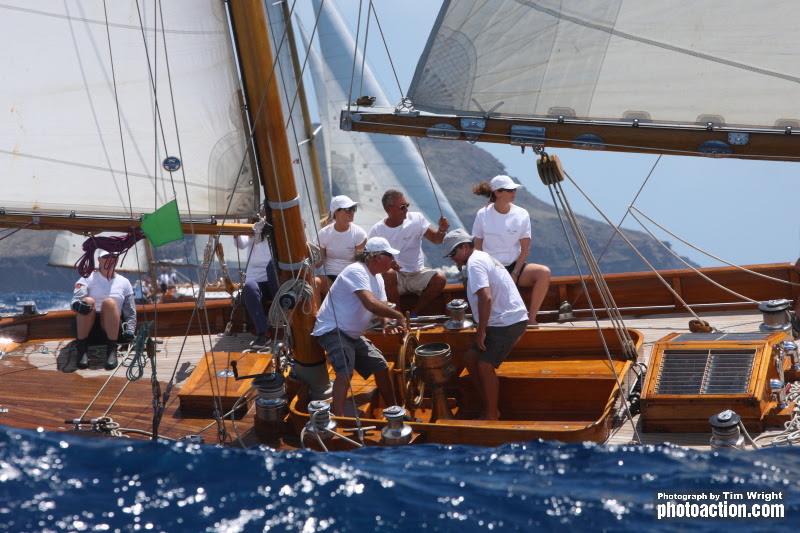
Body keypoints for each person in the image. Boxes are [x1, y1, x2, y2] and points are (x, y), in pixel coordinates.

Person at [312, 236, 406, 416]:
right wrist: (398, 315)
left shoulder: (377, 278)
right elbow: (370, 303)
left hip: (352, 334)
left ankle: (394, 410)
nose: (393, 261)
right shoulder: (356, 271)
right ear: (377, 257)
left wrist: (386, 322)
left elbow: (381, 308)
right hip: (333, 330)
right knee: (345, 369)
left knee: (381, 365)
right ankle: (338, 418)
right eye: (390, 256)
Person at [443, 228, 528, 420]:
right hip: (501, 320)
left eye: (453, 253)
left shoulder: (475, 263)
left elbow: (486, 298)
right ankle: (488, 405)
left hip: (506, 321)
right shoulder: (480, 257)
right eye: (450, 255)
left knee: (483, 365)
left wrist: (481, 331)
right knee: (470, 358)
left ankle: (491, 414)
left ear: (465, 247)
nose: (453, 259)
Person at [472, 175, 551, 326]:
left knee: (543, 273)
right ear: (497, 193)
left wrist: (514, 273)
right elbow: (477, 247)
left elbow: (525, 249)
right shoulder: (482, 214)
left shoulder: (522, 214)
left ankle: (531, 319)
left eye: (514, 189)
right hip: (491, 268)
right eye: (509, 190)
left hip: (515, 267)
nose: (514, 193)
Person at [368, 189, 449, 315]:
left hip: (417, 273)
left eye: (407, 205)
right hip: (395, 277)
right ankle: (398, 315)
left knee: (440, 278)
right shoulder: (377, 230)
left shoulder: (417, 219)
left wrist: (442, 230)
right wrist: (388, 265)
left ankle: (414, 314)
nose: (406, 209)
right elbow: (370, 259)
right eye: (402, 207)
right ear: (389, 209)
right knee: (388, 274)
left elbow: (436, 239)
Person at [71, 250, 137, 370]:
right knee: (88, 301)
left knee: (109, 303)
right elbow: (76, 300)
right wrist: (76, 305)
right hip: (88, 331)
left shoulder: (125, 282)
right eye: (106, 257)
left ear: (117, 260)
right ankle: (82, 350)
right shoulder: (87, 278)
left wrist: (130, 330)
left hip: (113, 331)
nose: (110, 259)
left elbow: (130, 311)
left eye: (113, 256)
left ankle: (111, 351)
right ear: (99, 260)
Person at [235, 218, 279, 348]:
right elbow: (240, 244)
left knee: (272, 267)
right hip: (257, 282)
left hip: (274, 282)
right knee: (249, 288)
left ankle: (289, 325)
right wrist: (236, 231)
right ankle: (263, 333)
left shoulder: (276, 236)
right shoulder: (252, 234)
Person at [315, 195, 367, 298]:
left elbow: (360, 264)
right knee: (315, 282)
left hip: (350, 277)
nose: (352, 212)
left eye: (353, 209)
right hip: (328, 276)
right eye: (348, 209)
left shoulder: (359, 234)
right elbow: (318, 263)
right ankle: (316, 314)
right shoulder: (323, 234)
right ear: (336, 212)